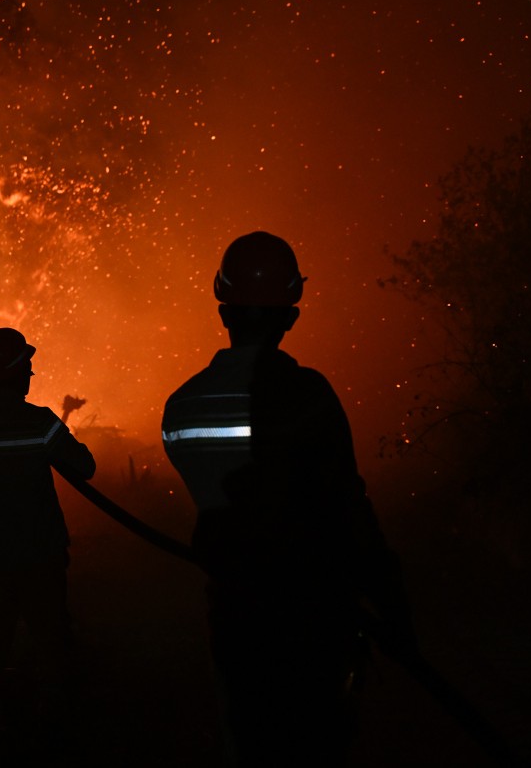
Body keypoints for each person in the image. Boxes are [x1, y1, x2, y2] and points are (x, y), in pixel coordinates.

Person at [161, 231, 413, 766]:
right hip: (315, 615)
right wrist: (392, 605)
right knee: (319, 742)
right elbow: (348, 507)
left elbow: (214, 499)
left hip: (235, 615)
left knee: (250, 740)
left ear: (223, 308)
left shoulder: (181, 407)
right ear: (290, 315)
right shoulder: (309, 395)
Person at [0, 327, 96, 729]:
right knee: (51, 638)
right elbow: (85, 467)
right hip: (40, 551)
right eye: (27, 367)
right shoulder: (41, 423)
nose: (31, 375)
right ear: (14, 372)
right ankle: (58, 727)